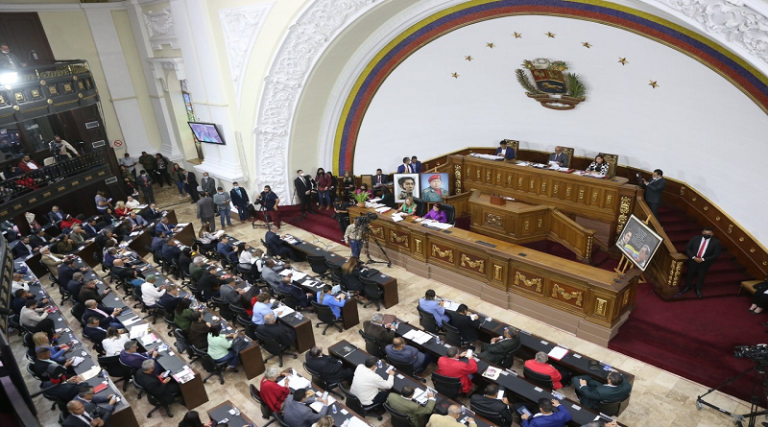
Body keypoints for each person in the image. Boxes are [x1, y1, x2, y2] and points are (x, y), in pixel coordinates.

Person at [679, 227, 721, 298]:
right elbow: (688, 248)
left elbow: (716, 254)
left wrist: (703, 259)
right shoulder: (695, 238)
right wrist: (693, 257)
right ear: (702, 232)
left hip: (705, 262)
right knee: (690, 273)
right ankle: (688, 286)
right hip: (693, 260)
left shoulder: (716, 242)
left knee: (701, 275)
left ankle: (698, 288)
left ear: (712, 234)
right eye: (705, 233)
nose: (706, 235)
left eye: (709, 234)